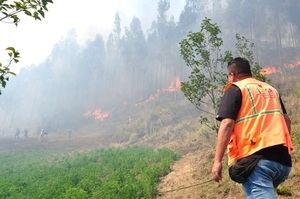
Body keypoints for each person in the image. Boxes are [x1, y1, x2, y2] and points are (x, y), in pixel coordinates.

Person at [211, 57, 293, 199]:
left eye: (228, 76)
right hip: (283, 163)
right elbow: (286, 120)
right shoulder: (271, 90)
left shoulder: (236, 89)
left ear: (232, 75)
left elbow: (226, 124)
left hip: (257, 163)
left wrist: (217, 161)